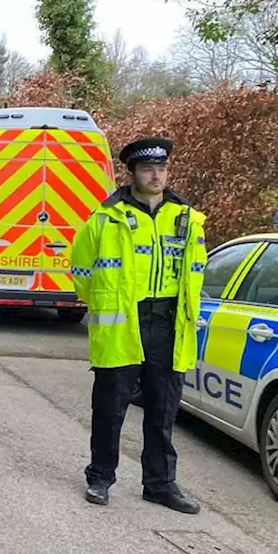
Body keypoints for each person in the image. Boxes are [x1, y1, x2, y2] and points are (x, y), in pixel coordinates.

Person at [69, 136, 208, 513]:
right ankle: (100, 477)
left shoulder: (187, 219)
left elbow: (196, 271)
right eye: (148, 169)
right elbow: (80, 270)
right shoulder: (105, 218)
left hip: (169, 323)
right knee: (110, 407)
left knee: (163, 410)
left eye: (162, 169)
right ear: (131, 173)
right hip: (123, 323)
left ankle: (160, 484)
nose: (156, 176)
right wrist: (105, 301)